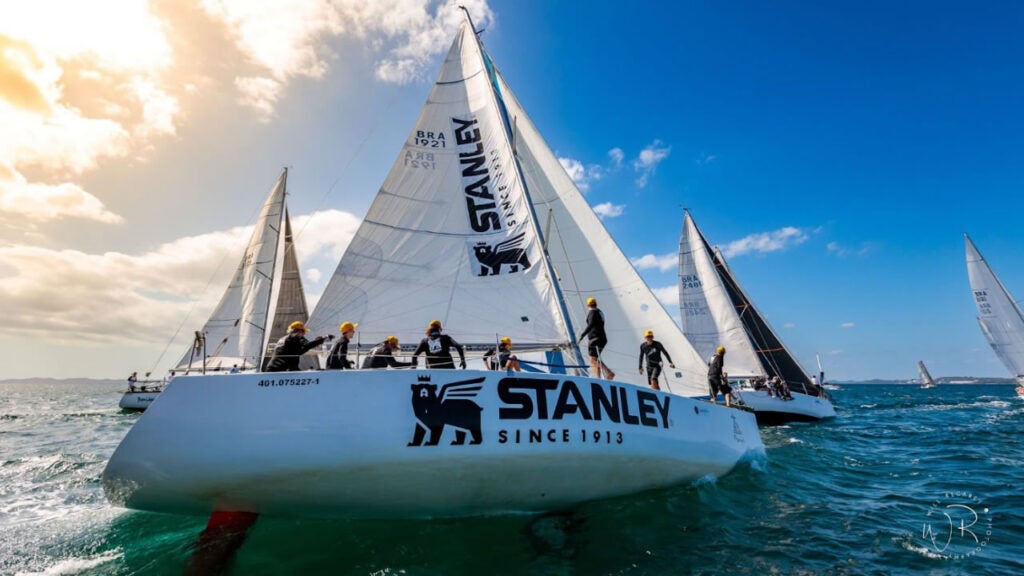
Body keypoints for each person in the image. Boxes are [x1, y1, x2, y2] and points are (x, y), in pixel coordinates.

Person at [577, 297, 614, 380]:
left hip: (595, 339)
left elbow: (590, 325)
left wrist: (582, 336)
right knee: (595, 358)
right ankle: (604, 374)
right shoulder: (600, 312)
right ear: (595, 303)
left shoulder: (592, 312)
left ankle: (604, 375)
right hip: (602, 338)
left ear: (588, 305)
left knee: (592, 360)